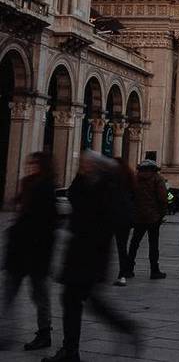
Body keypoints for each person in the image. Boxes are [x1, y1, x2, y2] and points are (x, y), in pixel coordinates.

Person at [47, 151, 139, 362]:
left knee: (78, 302)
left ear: (97, 168)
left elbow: (116, 217)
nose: (83, 166)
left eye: (86, 164)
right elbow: (74, 197)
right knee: (80, 302)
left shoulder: (107, 189)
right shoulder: (90, 184)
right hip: (82, 253)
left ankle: (74, 349)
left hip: (90, 254)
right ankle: (72, 350)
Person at [2, 152, 57, 352]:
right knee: (9, 294)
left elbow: (48, 224)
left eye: (34, 164)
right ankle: (6, 333)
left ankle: (44, 333)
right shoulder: (27, 183)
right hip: (19, 251)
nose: (30, 166)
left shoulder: (46, 188)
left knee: (39, 296)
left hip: (36, 252)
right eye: (29, 163)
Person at [126, 159, 167, 279]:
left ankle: (129, 268)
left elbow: (130, 196)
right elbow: (163, 197)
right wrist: (162, 214)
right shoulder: (157, 178)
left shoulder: (135, 178)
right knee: (153, 244)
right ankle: (154, 270)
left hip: (138, 216)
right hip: (154, 217)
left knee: (134, 243)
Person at [110, 158, 135, 287]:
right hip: (125, 218)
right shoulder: (130, 180)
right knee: (122, 247)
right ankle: (123, 274)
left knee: (104, 245)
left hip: (113, 217)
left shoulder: (111, 181)